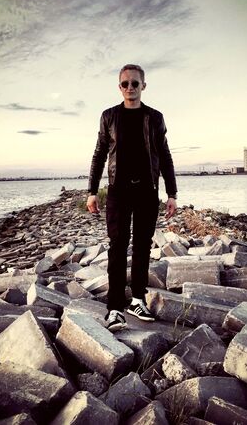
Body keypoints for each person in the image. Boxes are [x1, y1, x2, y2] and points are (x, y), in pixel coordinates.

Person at [87, 64, 177, 332]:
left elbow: (165, 156)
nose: (130, 88)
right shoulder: (109, 116)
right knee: (117, 246)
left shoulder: (155, 117)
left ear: (143, 86)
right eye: (125, 84)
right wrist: (92, 191)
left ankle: (137, 300)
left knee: (142, 246)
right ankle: (115, 308)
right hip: (118, 190)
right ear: (119, 87)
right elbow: (99, 155)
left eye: (135, 83)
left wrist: (172, 193)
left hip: (147, 190)